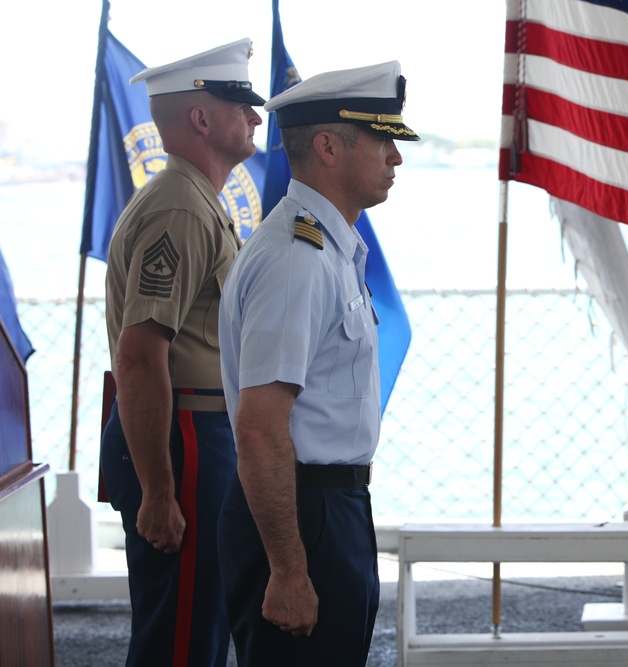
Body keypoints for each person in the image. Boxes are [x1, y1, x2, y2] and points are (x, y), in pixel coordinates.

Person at [217, 60, 419, 665]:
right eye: (383, 140)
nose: (396, 158)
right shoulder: (297, 258)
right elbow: (259, 425)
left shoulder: (328, 248)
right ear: (328, 146)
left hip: (328, 507)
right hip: (300, 511)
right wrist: (288, 568)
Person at [100, 38, 265, 667]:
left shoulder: (196, 200)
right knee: (183, 638)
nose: (255, 117)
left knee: (197, 625)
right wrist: (159, 493)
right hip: (184, 437)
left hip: (193, 431)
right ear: (201, 117)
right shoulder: (182, 209)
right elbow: (141, 357)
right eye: (241, 104)